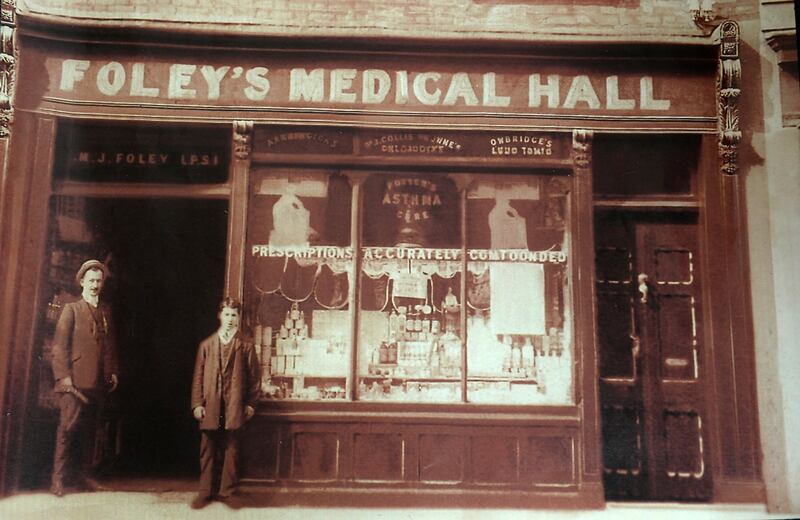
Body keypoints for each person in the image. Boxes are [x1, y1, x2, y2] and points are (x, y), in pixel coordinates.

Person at [50, 259, 119, 497]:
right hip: (74, 383)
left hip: (97, 382)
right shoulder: (71, 309)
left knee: (90, 432)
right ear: (82, 282)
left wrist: (112, 371)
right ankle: (58, 480)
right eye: (91, 281)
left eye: (99, 281)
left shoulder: (105, 311)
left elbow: (109, 346)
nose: (95, 285)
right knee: (67, 430)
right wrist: (64, 378)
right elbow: (59, 347)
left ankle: (84, 478)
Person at [190, 298, 260, 509]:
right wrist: (197, 404)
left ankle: (227, 492)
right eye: (227, 314)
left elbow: (254, 378)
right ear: (219, 315)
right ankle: (205, 491)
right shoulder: (207, 345)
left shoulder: (246, 345)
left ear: (239, 318)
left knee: (232, 448)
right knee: (208, 448)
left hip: (234, 404)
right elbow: (198, 377)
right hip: (211, 403)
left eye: (234, 315)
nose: (230, 319)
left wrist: (251, 404)